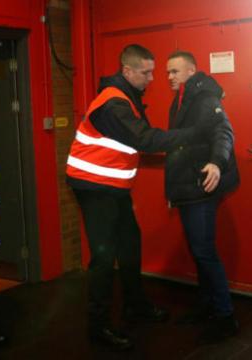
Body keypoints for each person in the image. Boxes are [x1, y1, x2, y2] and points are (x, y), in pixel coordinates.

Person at [66, 44, 198, 351]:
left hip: (112, 187)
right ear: (127, 71)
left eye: (153, 71)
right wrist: (195, 133)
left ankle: (134, 305)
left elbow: (134, 142)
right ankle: (98, 327)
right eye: (146, 72)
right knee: (103, 256)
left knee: (129, 244)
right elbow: (145, 139)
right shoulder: (113, 103)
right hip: (94, 186)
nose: (153, 78)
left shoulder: (126, 97)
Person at [164, 51, 240, 344]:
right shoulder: (182, 99)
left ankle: (225, 316)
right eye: (167, 72)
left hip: (200, 186)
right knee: (199, 251)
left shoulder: (206, 99)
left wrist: (217, 163)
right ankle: (207, 305)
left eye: (175, 71)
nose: (169, 76)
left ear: (191, 71)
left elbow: (224, 132)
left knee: (205, 251)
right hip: (187, 187)